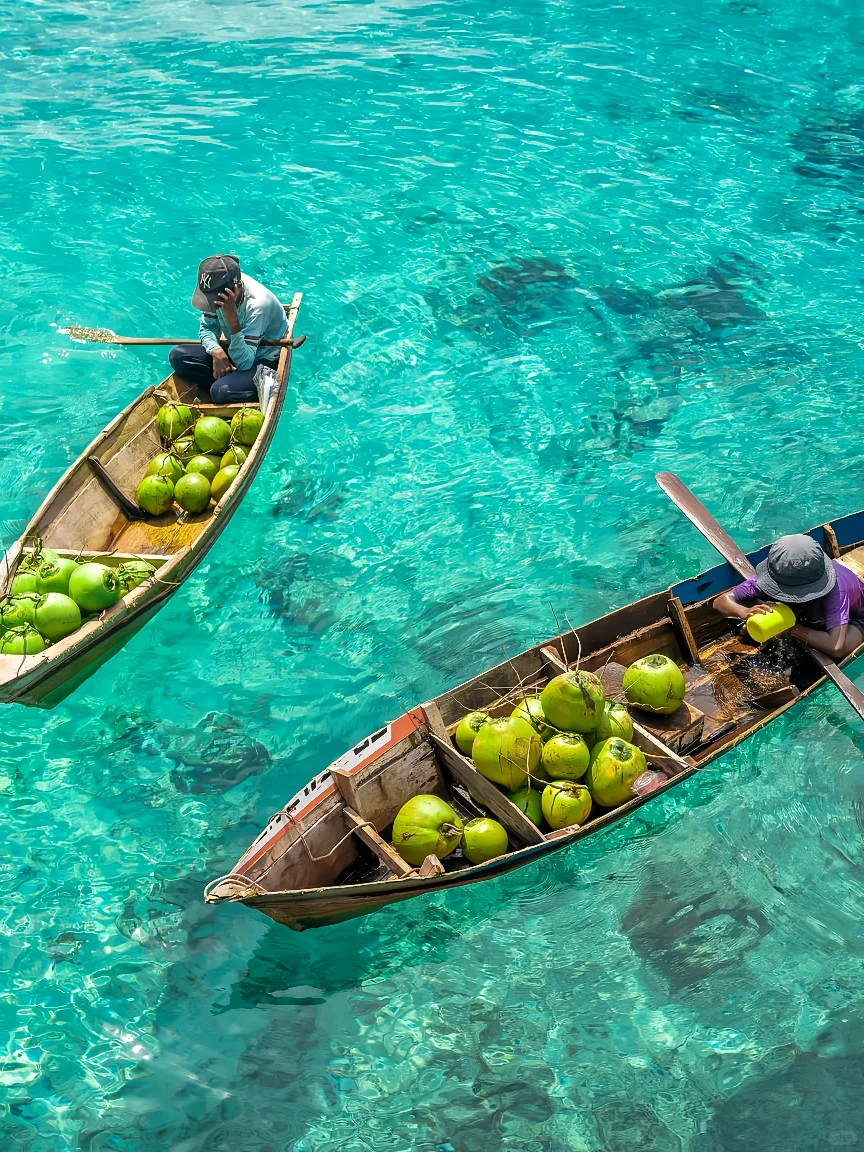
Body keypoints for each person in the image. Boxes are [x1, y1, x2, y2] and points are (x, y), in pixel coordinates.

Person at [713, 534, 864, 659]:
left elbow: (835, 646)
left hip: (855, 618)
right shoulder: (777, 576)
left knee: (843, 650)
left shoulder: (836, 591)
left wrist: (791, 627)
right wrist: (743, 612)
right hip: (811, 615)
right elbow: (721, 602)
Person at [169, 255, 290, 403]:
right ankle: (231, 381)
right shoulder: (216, 285)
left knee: (220, 392)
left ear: (236, 289)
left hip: (261, 358)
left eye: (216, 299)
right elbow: (207, 328)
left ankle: (230, 386)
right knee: (178, 356)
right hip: (235, 348)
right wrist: (217, 352)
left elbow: (245, 363)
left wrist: (233, 322)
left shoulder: (258, 306)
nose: (212, 303)